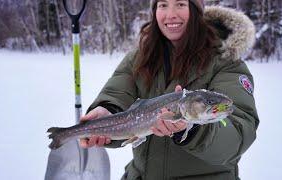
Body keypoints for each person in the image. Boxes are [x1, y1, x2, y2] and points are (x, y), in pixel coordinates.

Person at [80, 0, 259, 179]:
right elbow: (117, 94)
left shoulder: (226, 62)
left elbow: (238, 131)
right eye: (163, 5)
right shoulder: (140, 57)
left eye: (180, 4)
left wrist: (193, 131)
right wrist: (107, 111)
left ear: (196, 10)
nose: (170, 14)